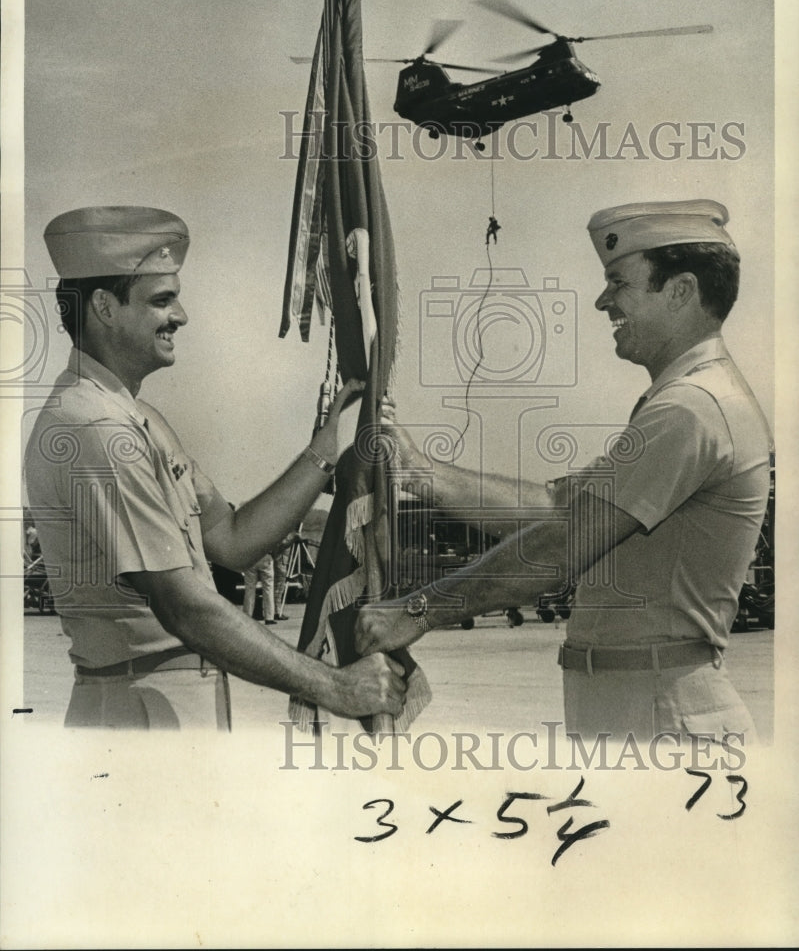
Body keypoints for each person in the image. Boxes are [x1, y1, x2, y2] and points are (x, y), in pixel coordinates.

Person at [356, 199, 772, 744]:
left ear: (680, 291)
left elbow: (562, 545)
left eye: (618, 282)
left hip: (661, 716)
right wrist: (427, 474)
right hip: (640, 708)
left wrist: (417, 610)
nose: (604, 301)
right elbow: (559, 507)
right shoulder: (685, 399)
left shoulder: (691, 408)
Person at [24, 205, 406, 730]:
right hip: (139, 710)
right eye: (162, 300)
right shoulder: (97, 428)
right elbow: (184, 606)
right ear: (104, 307)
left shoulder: (135, 418)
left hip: (170, 699)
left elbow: (231, 538)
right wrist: (335, 685)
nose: (180, 316)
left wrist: (329, 449)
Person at [243, 551, 277, 625]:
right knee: (268, 588)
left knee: (249, 588)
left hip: (250, 557)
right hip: (266, 556)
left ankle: (247, 615)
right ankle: (269, 617)